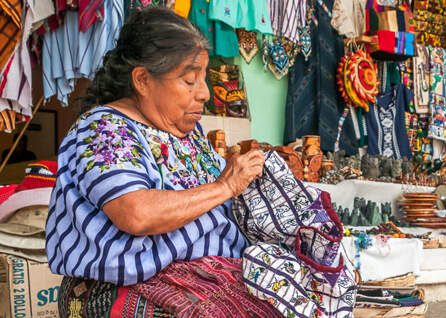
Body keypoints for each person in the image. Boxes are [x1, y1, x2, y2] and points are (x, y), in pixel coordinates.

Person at [45, 8, 280, 317]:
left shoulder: (187, 132)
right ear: (142, 79)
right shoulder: (103, 129)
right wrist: (224, 186)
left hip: (203, 279)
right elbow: (137, 213)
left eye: (203, 79)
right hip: (127, 289)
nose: (205, 94)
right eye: (189, 81)